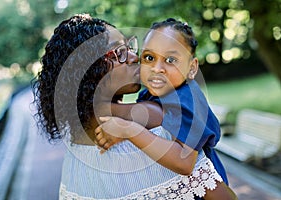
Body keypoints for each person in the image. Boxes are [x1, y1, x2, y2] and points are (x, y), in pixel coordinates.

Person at [33, 14, 236, 199]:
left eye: (129, 47)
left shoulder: (75, 145)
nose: (133, 57)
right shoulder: (151, 133)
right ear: (88, 70)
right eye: (119, 52)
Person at [95, 18, 237, 199]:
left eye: (170, 59)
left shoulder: (188, 98)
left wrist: (128, 130)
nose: (157, 68)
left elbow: (184, 163)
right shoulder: (152, 94)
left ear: (192, 68)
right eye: (149, 58)